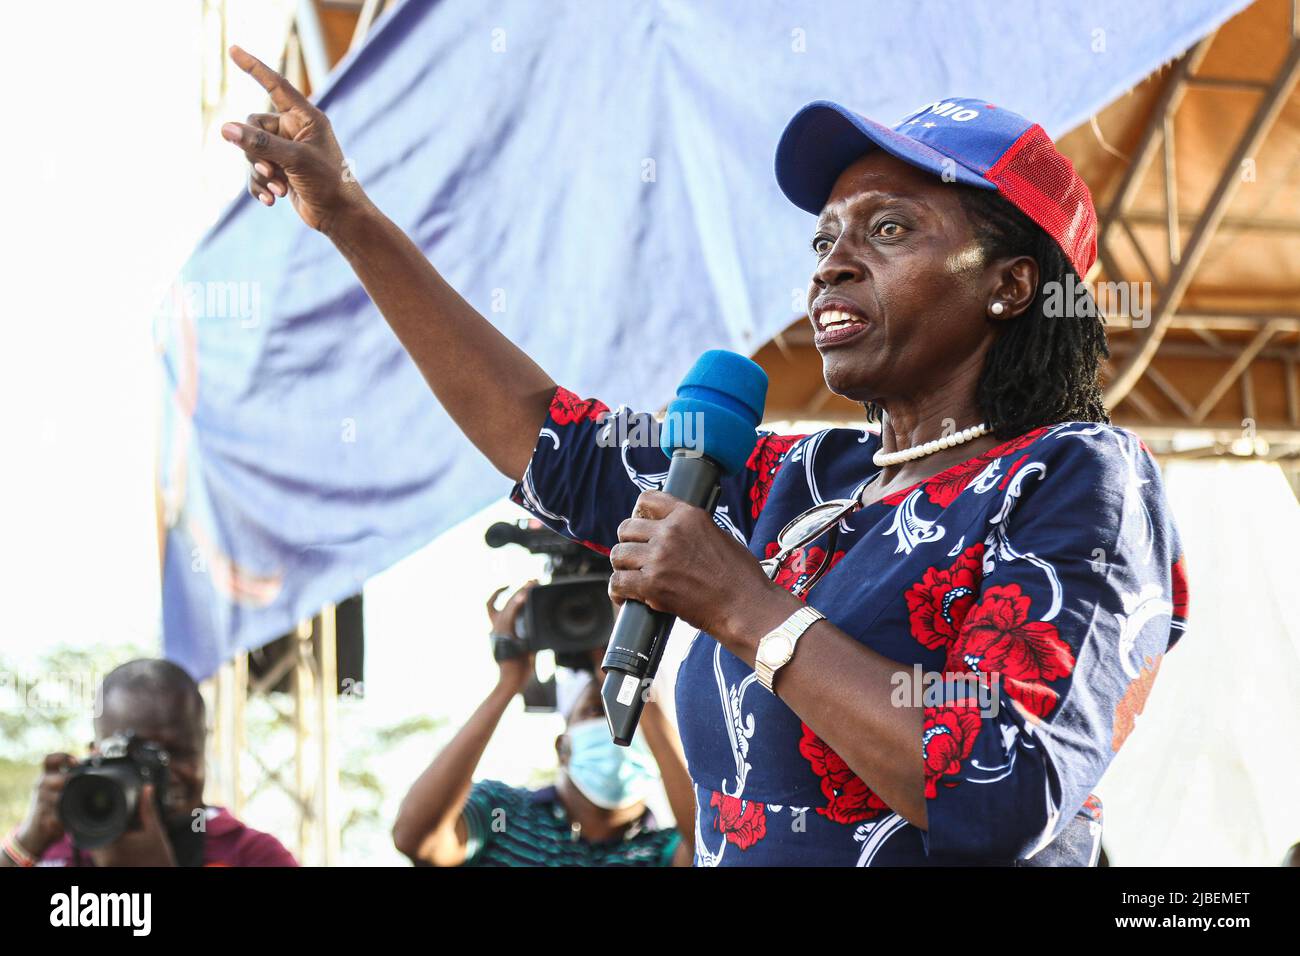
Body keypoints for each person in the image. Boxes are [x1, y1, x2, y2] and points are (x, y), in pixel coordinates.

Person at [220, 49, 1188, 865]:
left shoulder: (1077, 475)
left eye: (889, 229)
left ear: (1013, 286)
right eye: (825, 237)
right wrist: (348, 214)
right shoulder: (800, 483)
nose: (831, 263)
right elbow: (546, 438)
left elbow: (1002, 785)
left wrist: (746, 608)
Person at [392, 583, 694, 866]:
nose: (614, 726)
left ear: (658, 745)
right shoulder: (502, 814)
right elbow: (415, 837)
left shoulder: (665, 849)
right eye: (593, 711)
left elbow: (715, 845)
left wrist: (640, 693)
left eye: (630, 715)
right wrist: (509, 684)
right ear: (562, 746)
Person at [1, 659, 297, 867]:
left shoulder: (249, 855)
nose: (160, 774)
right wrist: (26, 844)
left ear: (203, 750)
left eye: (178, 753)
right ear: (95, 755)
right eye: (135, 755)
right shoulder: (53, 844)